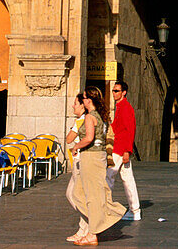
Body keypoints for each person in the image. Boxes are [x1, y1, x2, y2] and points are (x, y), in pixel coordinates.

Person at [70, 84, 126, 245]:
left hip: (92, 157)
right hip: (94, 157)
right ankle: (99, 222)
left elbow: (88, 138)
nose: (83, 100)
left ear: (90, 100)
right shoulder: (99, 116)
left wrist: (76, 146)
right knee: (78, 194)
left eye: (85, 98)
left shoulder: (90, 117)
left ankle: (94, 232)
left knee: (92, 196)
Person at [106, 80, 140, 221]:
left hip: (120, 148)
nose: (114, 93)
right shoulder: (121, 107)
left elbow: (130, 130)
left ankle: (105, 207)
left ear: (123, 92)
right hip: (120, 147)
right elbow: (119, 127)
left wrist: (127, 150)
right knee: (127, 179)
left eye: (117, 91)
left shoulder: (125, 107)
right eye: (113, 91)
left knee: (109, 177)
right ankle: (135, 210)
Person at [66, 93, 89, 244]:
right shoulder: (85, 120)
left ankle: (86, 226)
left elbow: (68, 138)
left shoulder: (81, 121)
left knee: (75, 195)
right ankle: (86, 224)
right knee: (72, 194)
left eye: (75, 103)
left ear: (82, 105)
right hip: (80, 161)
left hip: (81, 161)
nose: (73, 106)